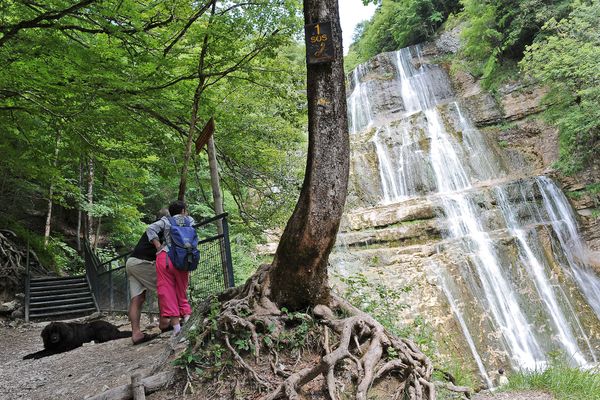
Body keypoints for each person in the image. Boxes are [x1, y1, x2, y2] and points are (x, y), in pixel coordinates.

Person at [146, 200, 194, 336]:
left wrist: (158, 246)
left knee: (167, 291)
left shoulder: (166, 221)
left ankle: (177, 328)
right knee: (181, 289)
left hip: (166, 257)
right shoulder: (189, 220)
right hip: (183, 258)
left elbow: (150, 229)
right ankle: (188, 320)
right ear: (183, 211)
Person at [125, 208, 171, 345]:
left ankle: (136, 334)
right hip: (142, 262)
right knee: (166, 286)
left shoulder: (154, 229)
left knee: (137, 299)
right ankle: (164, 322)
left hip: (131, 262)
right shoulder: (162, 228)